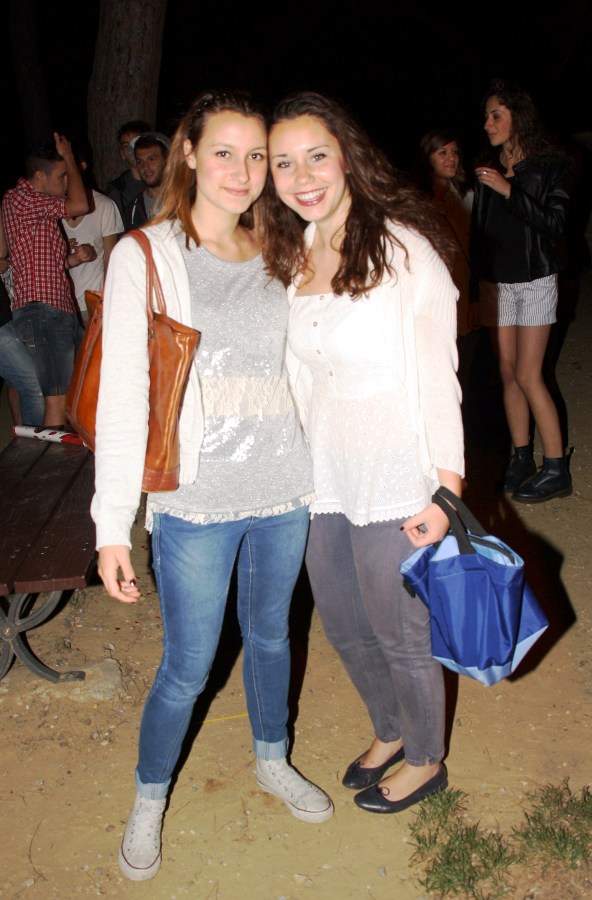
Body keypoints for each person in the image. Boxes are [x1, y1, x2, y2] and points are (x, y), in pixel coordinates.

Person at [91, 90, 334, 883]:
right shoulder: (147, 256)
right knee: (187, 666)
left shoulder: (282, 248)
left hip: (284, 491)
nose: (242, 170)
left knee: (272, 636)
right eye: (224, 151)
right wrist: (110, 526)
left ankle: (272, 758)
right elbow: (124, 396)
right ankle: (149, 798)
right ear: (189, 153)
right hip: (194, 501)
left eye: (256, 155)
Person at [260, 91, 464, 815]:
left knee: (400, 630)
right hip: (322, 477)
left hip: (394, 472)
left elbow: (438, 375)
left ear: (347, 154)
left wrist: (446, 490)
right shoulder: (294, 253)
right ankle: (389, 728)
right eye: (284, 163)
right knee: (345, 623)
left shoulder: (403, 250)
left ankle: (427, 757)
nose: (303, 176)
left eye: (316, 156)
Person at [471, 78, 573, 502]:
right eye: (486, 116)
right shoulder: (486, 167)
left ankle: (557, 468)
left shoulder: (550, 166)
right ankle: (522, 456)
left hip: (535, 279)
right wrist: (478, 281)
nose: (488, 124)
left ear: (519, 117)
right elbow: (481, 230)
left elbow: (554, 224)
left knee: (530, 374)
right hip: (499, 284)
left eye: (496, 115)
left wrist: (508, 189)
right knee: (508, 373)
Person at [2, 133, 94, 426]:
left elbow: (41, 262)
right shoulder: (23, 198)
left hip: (55, 310)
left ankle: (62, 450)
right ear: (40, 176)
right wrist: (68, 156)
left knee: (75, 391)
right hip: (42, 311)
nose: (67, 182)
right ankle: (50, 456)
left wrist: (72, 260)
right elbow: (80, 205)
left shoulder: (35, 205)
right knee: (56, 398)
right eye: (62, 176)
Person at [415, 129, 479, 401]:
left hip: (465, 295)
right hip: (431, 299)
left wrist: (476, 297)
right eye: (442, 152)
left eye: (454, 152)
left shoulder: (467, 195)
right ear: (428, 157)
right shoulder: (415, 201)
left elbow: (478, 250)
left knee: (463, 375)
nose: (451, 158)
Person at [62, 138, 123, 325]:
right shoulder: (50, 208)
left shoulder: (104, 206)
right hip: (61, 305)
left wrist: (108, 300)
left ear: (81, 167)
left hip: (93, 303)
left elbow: (111, 259)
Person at [105, 120, 152, 232]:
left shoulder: (164, 183)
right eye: (127, 146)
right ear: (122, 153)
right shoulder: (117, 190)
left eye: (136, 143)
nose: (132, 150)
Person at [127, 132, 171, 228]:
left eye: (151, 159)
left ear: (166, 160)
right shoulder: (134, 208)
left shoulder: (185, 200)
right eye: (140, 161)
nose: (145, 167)